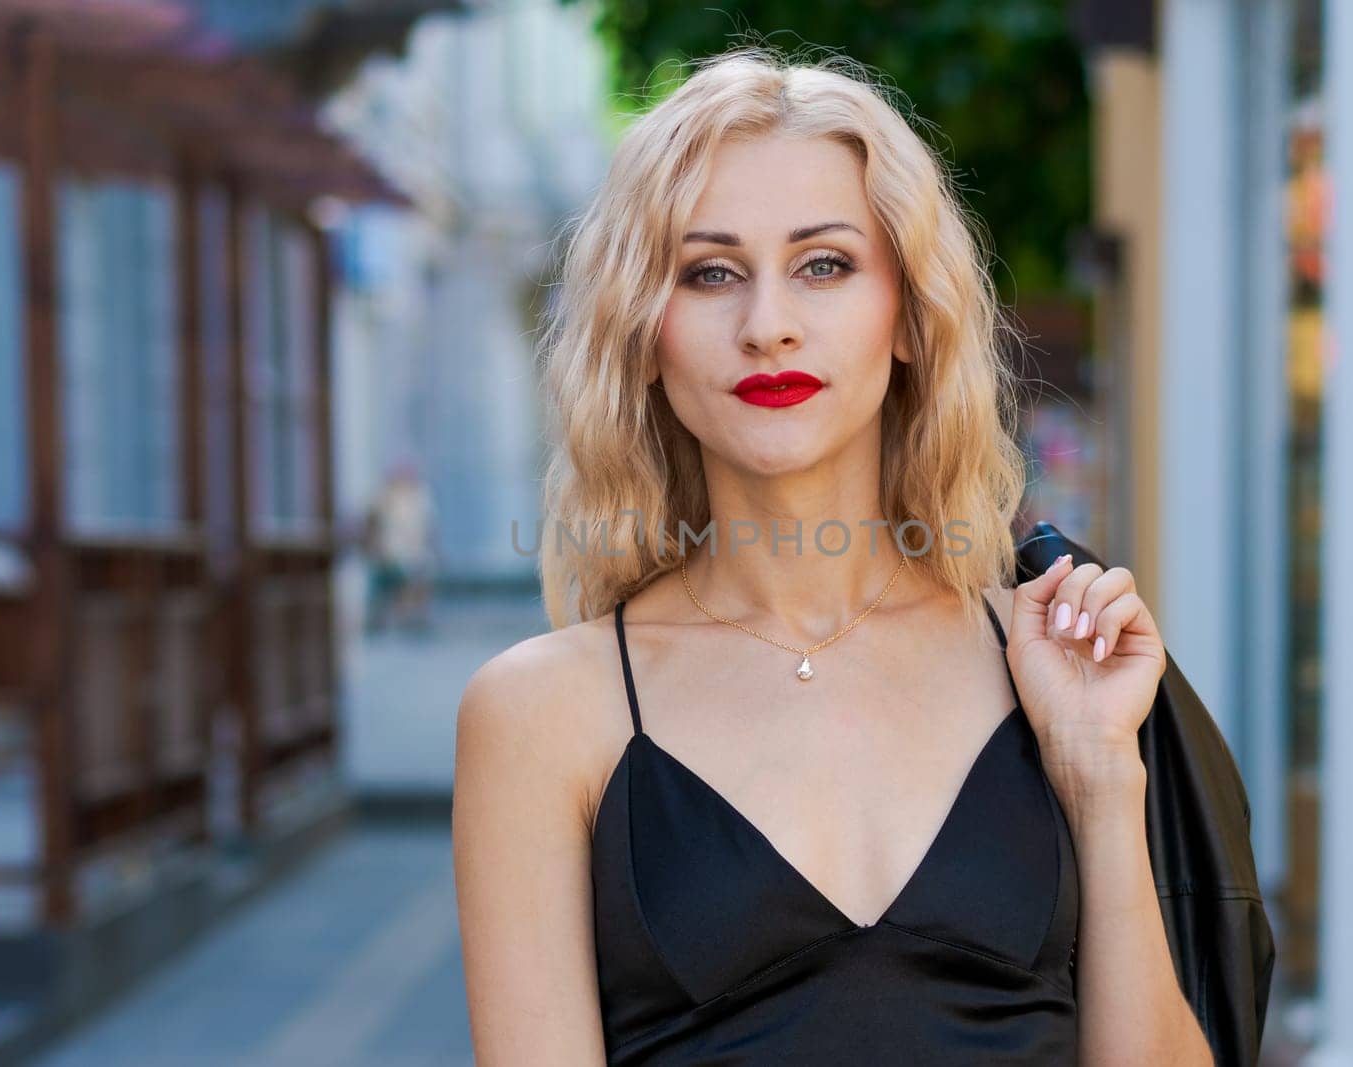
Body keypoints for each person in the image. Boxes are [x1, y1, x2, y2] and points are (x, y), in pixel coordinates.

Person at [452, 47, 1216, 1065]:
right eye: (709, 272)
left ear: (905, 314)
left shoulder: (1048, 664)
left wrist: (1096, 771)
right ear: (643, 331)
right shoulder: (543, 712)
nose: (768, 325)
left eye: (824, 264)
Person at [361, 459, 438, 634]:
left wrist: (432, 552)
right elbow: (371, 524)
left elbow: (428, 528)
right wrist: (371, 549)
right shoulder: (382, 497)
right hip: (387, 555)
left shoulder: (420, 497)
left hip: (412, 555)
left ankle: (412, 622)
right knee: (384, 591)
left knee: (412, 589)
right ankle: (379, 623)